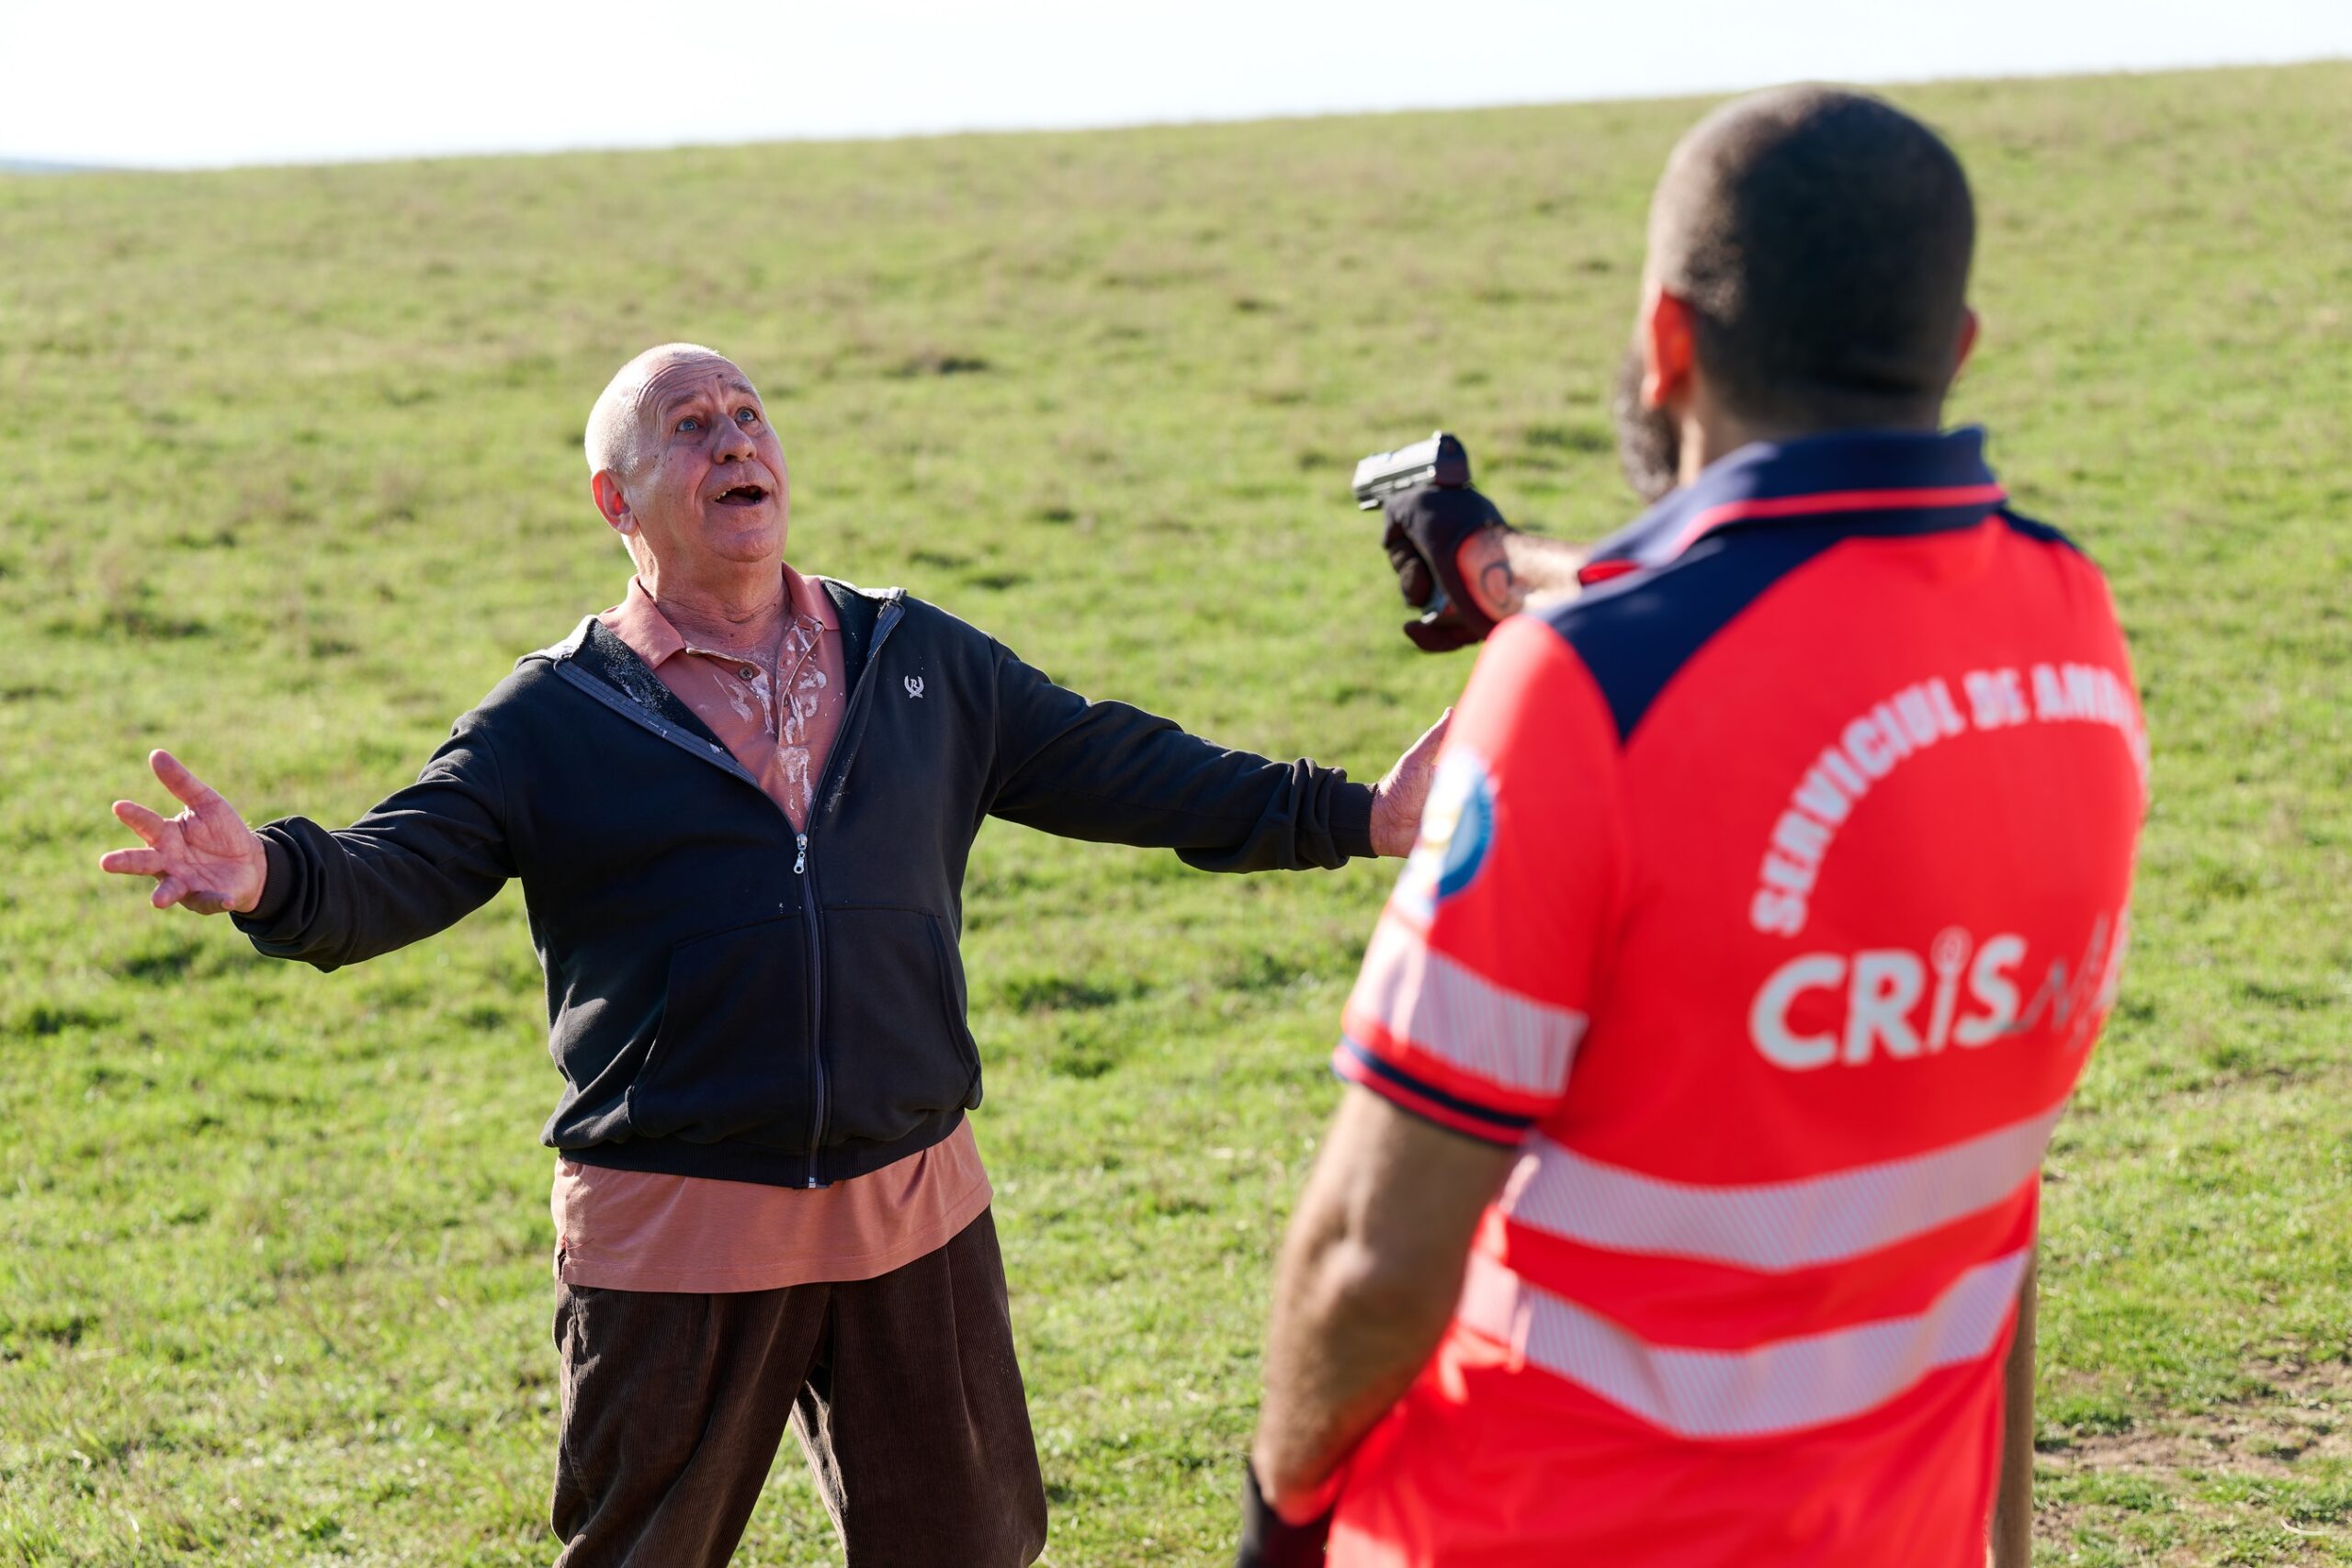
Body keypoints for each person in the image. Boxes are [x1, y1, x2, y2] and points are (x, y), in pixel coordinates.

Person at [99, 342, 1448, 1568]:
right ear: (615, 502)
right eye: (691, 428)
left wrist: (1357, 814)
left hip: (911, 1213)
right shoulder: (552, 719)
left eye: (749, 417)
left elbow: (1120, 766)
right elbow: (400, 866)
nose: (736, 442)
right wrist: (270, 872)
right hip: (676, 1233)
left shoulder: (915, 656)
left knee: (970, 1554)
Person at [1245, 85, 2147, 1568]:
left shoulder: (1589, 693)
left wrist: (1278, 1527)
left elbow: (1370, 1257)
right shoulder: (2066, 634)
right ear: (1960, 343)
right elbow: (1811, 626)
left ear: (1669, 339)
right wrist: (1495, 561)